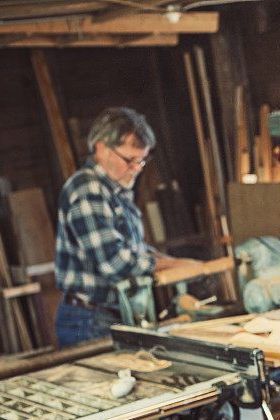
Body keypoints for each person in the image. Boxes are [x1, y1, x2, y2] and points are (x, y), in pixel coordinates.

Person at [54, 107, 200, 346]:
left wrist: (176, 263)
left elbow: (136, 250)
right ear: (101, 148)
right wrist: (176, 265)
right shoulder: (88, 189)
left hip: (114, 314)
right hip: (89, 320)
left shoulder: (117, 190)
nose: (137, 169)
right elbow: (116, 262)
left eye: (141, 161)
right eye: (129, 160)